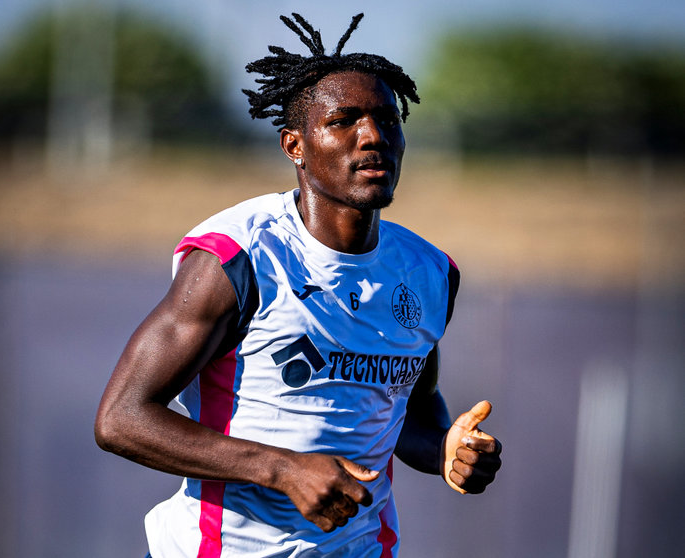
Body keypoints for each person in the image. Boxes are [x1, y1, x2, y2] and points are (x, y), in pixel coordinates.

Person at [95, 12, 501, 558]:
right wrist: (281, 469)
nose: (373, 136)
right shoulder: (238, 258)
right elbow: (122, 418)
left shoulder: (429, 272)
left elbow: (408, 407)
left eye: (387, 119)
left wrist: (448, 447)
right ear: (295, 146)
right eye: (344, 120)